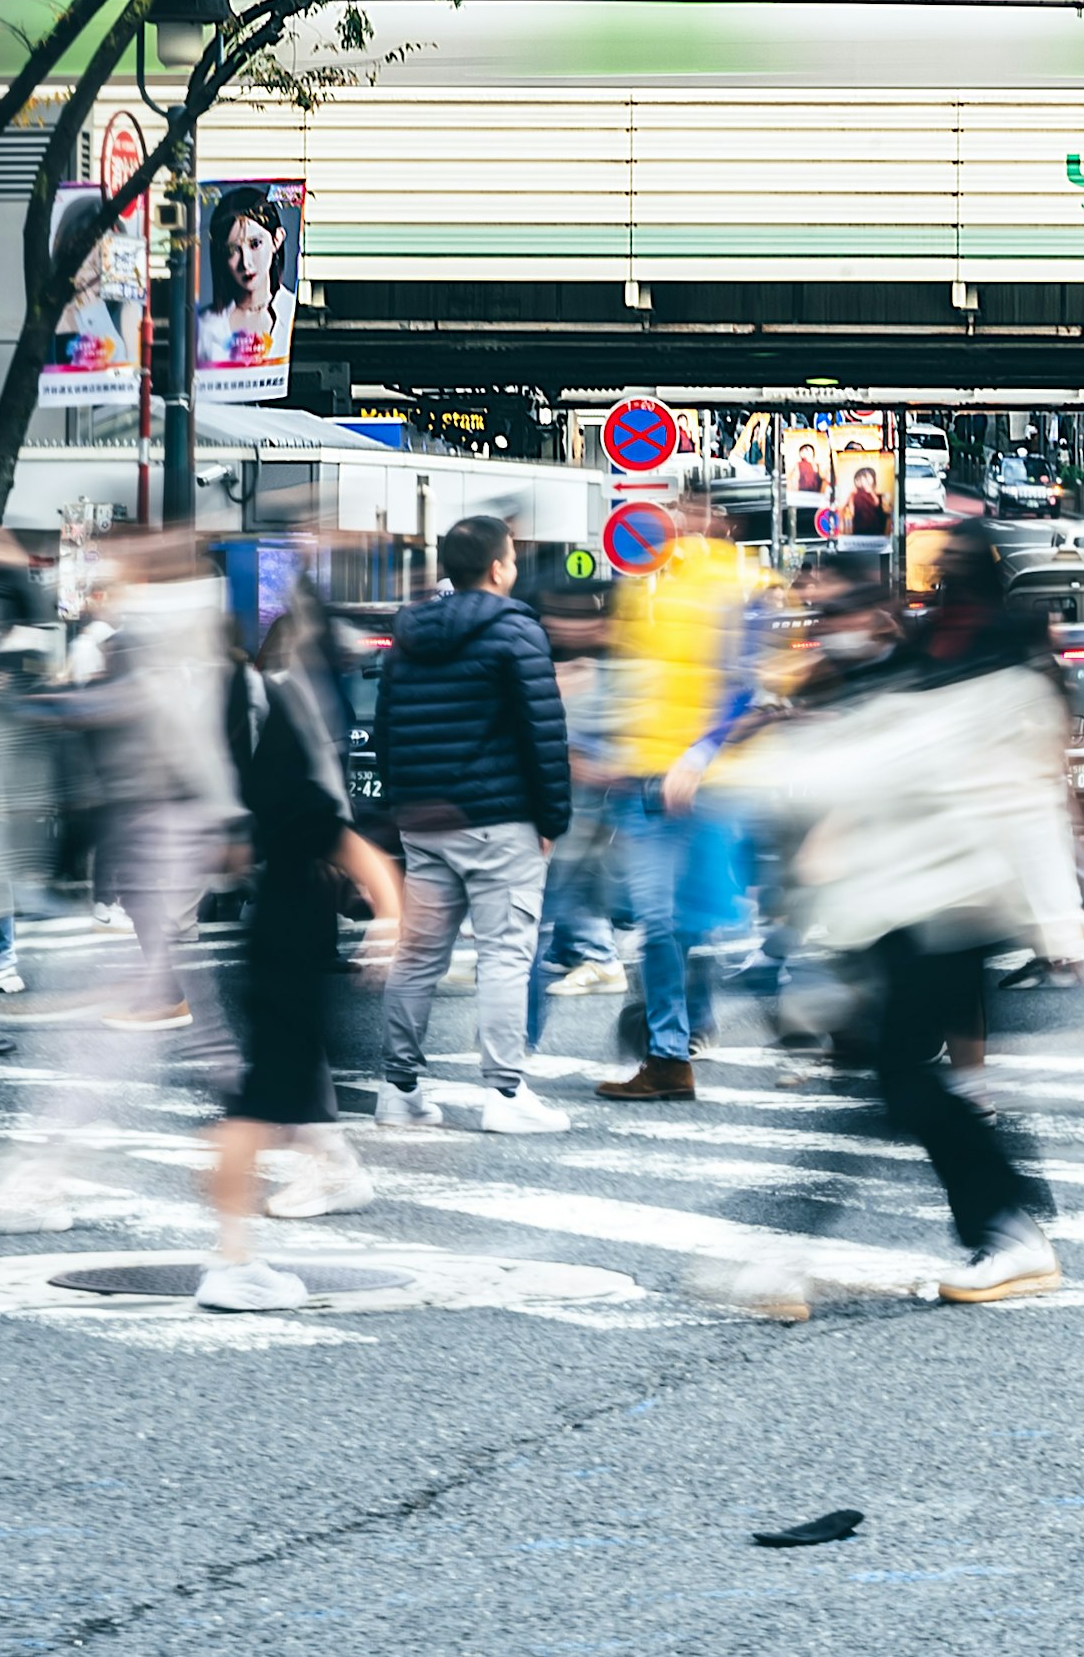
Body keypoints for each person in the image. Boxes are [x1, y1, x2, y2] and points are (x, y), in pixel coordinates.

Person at [711, 528, 1084, 1314]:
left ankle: (1005, 1228)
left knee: (901, 1077)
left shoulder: (989, 672)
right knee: (898, 1080)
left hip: (946, 904)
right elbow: (869, 767)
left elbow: (1018, 795)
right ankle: (1007, 1220)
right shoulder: (928, 663)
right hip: (900, 906)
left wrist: (1060, 914)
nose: (828, 622)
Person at [194, 584, 408, 1308]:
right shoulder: (290, 740)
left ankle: (246, 1239)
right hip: (290, 936)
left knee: (261, 1100)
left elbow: (241, 848)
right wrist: (388, 915)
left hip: (275, 932)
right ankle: (234, 1260)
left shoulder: (254, 739)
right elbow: (345, 842)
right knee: (254, 1108)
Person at [369, 515, 576, 1134]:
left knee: (417, 957)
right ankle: (505, 1095)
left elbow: (386, 731)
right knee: (506, 955)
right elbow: (544, 732)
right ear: (497, 567)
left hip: (424, 821)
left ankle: (398, 1090)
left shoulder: (406, 635)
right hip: (499, 820)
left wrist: (404, 805)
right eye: (511, 558)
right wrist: (552, 818)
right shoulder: (516, 632)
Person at [577, 482, 762, 1102]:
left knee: (696, 919)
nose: (686, 522)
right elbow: (626, 679)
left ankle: (688, 1035)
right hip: (643, 782)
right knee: (660, 922)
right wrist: (609, 759)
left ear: (722, 522)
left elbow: (745, 683)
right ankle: (668, 1055)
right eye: (680, 510)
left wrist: (700, 753)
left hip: (705, 784)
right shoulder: (640, 585)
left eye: (699, 512)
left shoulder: (738, 584)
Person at [193, 183, 297, 376]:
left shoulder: (293, 313)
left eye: (255, 244)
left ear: (277, 239)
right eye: (233, 250)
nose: (246, 263)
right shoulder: (208, 326)